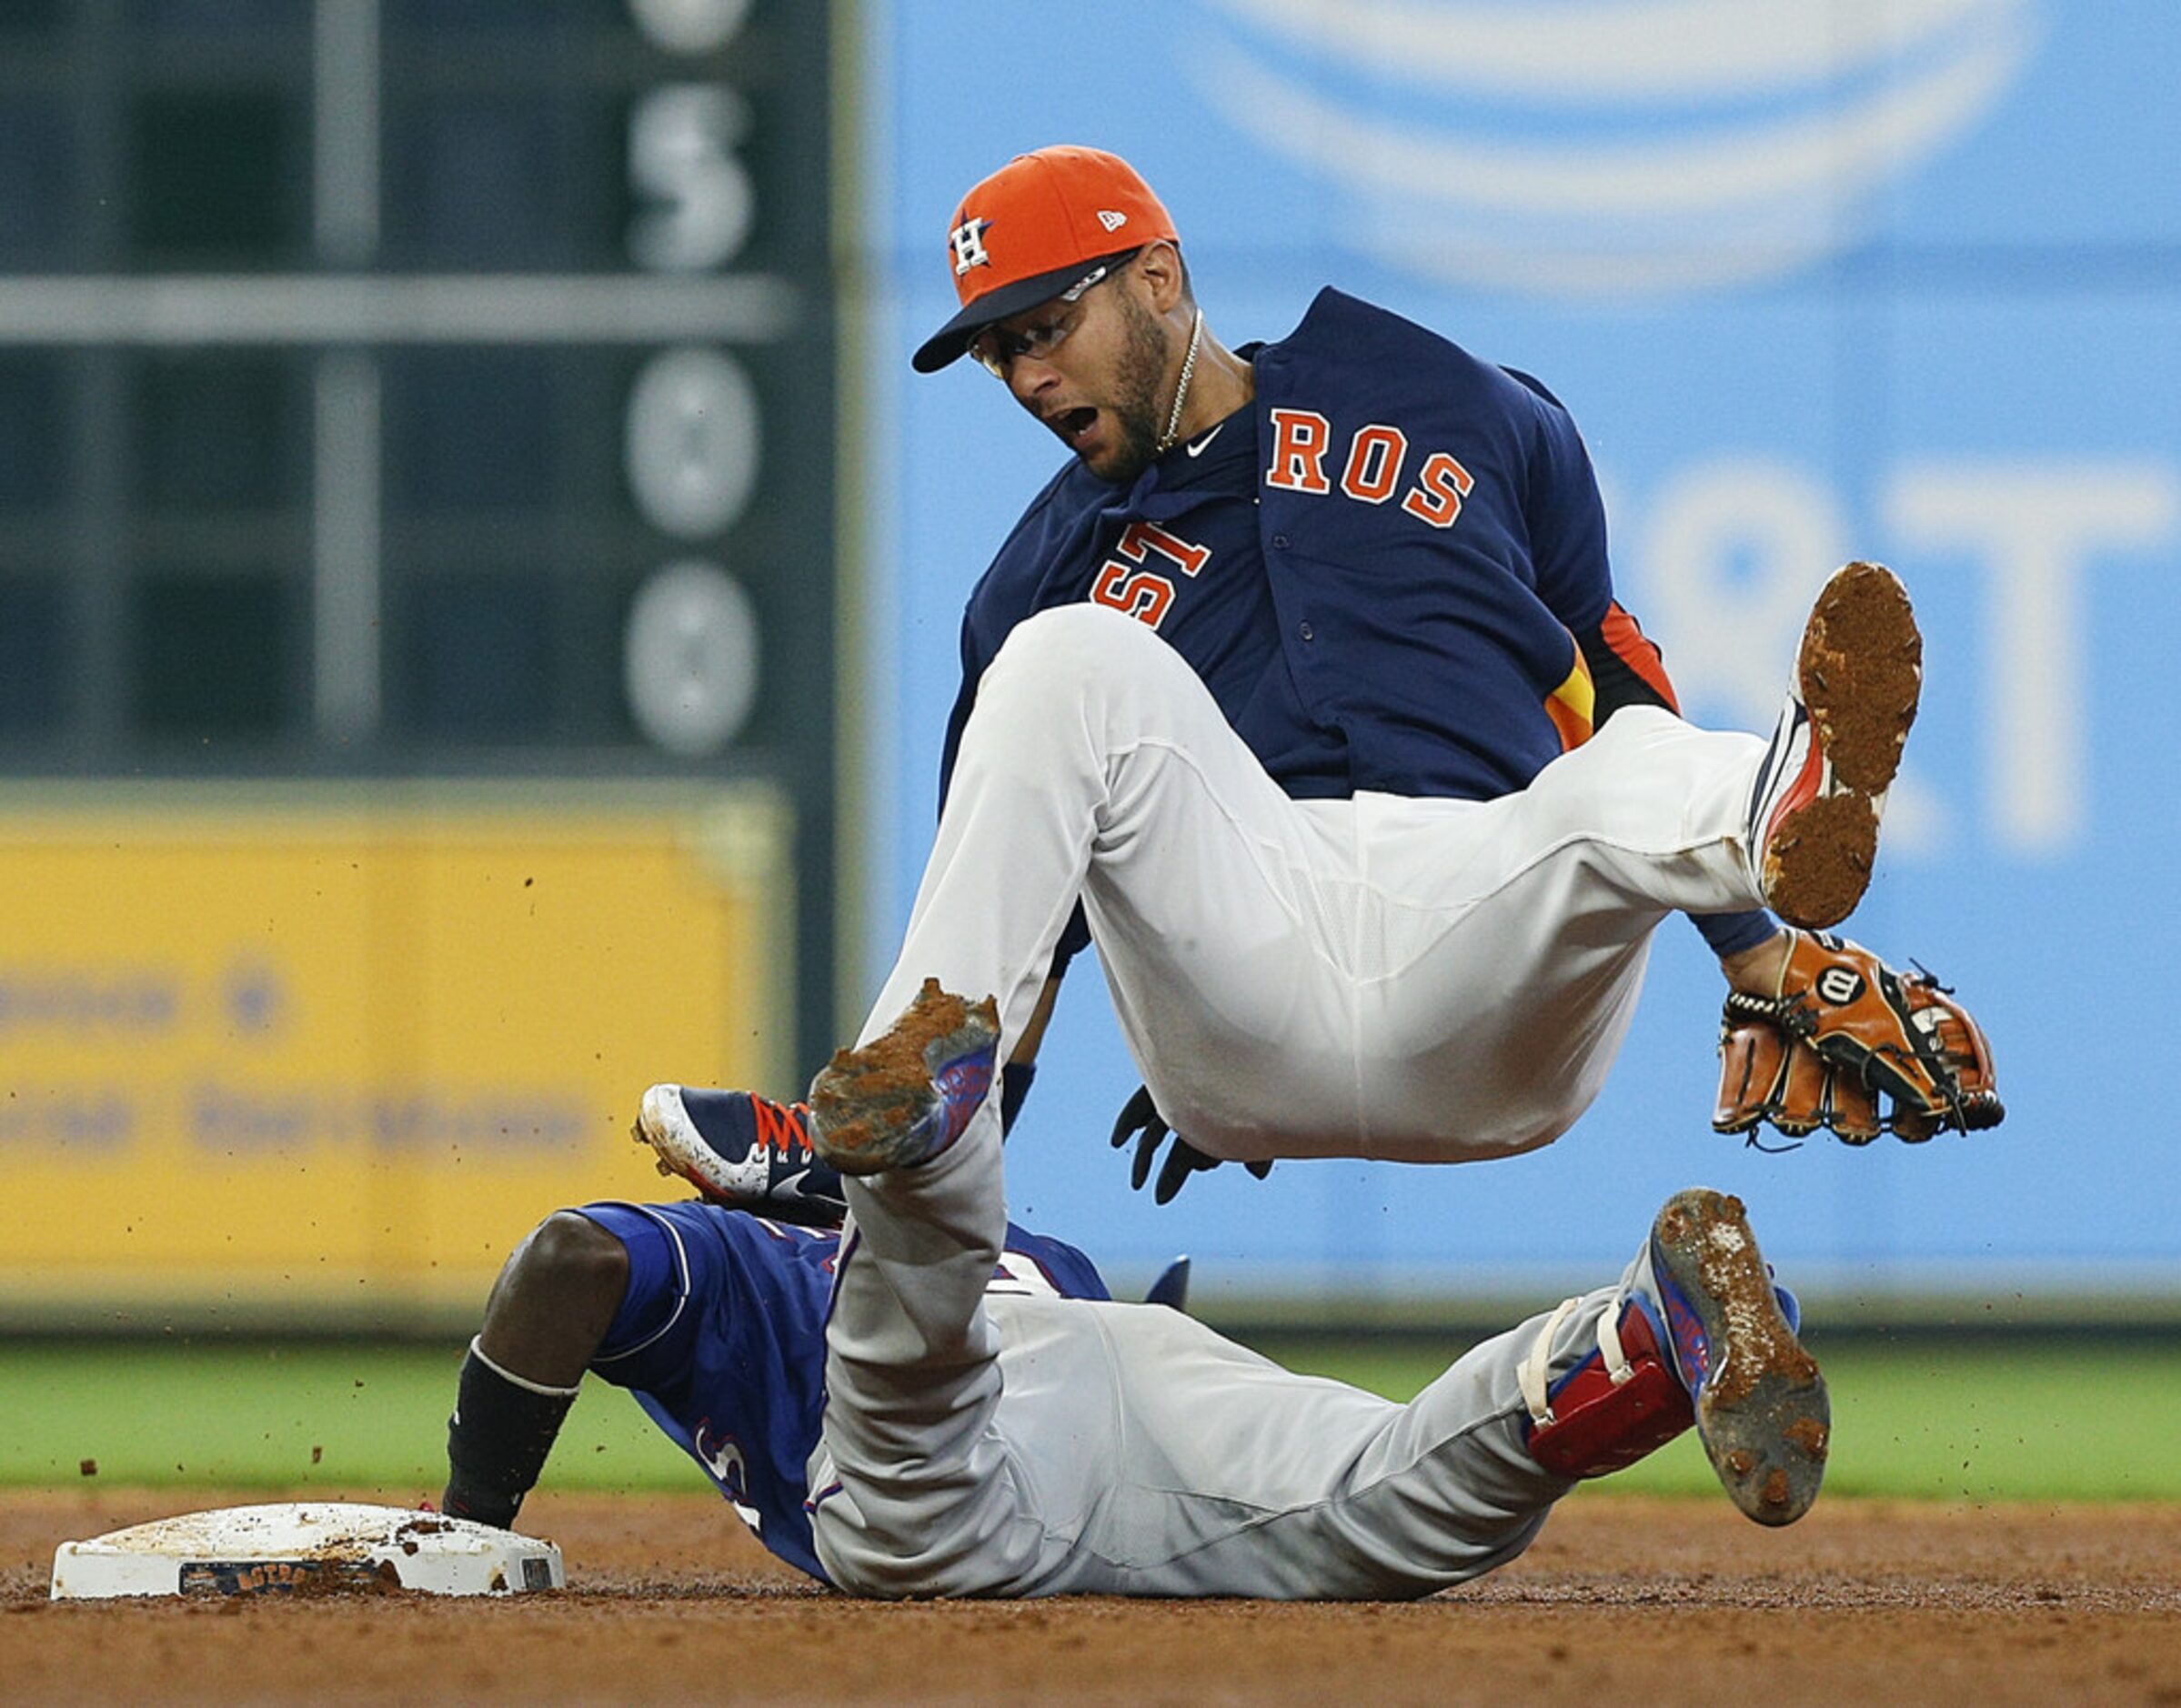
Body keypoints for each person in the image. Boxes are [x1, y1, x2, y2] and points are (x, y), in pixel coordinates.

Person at [804, 143, 1995, 1193]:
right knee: (1060, 658)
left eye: (1044, 327)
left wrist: (1744, 948)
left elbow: (1605, 657)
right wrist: (944, 1178)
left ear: (1156, 280)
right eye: (999, 353)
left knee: (1619, 757)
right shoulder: (1041, 573)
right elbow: (1028, 927)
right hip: (1246, 964)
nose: (1024, 377)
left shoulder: (1448, 401)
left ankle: (1787, 848)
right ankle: (868, 1148)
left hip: (1483, 946)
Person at [446, 1081, 1829, 1597]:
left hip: (928, 1454)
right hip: (1110, 1335)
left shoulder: (735, 1262)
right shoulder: (1039, 1253)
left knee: (898, 1404)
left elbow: (573, 1259)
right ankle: (1639, 1332)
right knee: (1393, 1493)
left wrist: (469, 1531)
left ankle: (912, 1166)